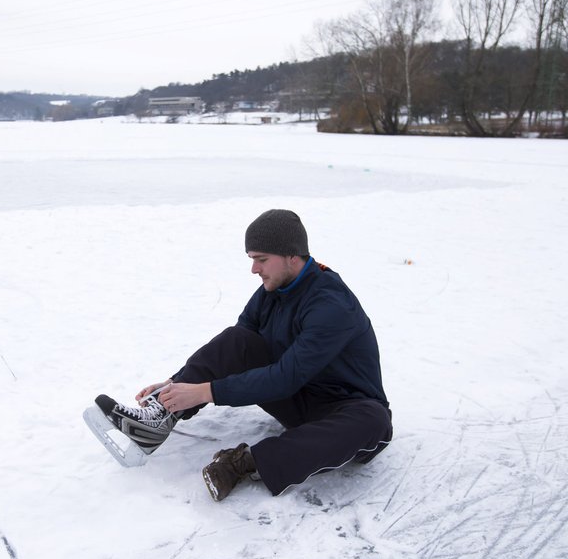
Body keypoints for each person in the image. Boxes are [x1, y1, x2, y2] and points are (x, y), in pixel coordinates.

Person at [96, 209, 392, 501]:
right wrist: (175, 386)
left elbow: (285, 378)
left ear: (292, 255)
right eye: (252, 260)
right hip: (299, 397)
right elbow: (235, 348)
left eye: (261, 259)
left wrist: (205, 392)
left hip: (343, 409)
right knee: (239, 338)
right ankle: (159, 416)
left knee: (374, 421)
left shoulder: (331, 305)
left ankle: (244, 463)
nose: (254, 269)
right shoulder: (273, 290)